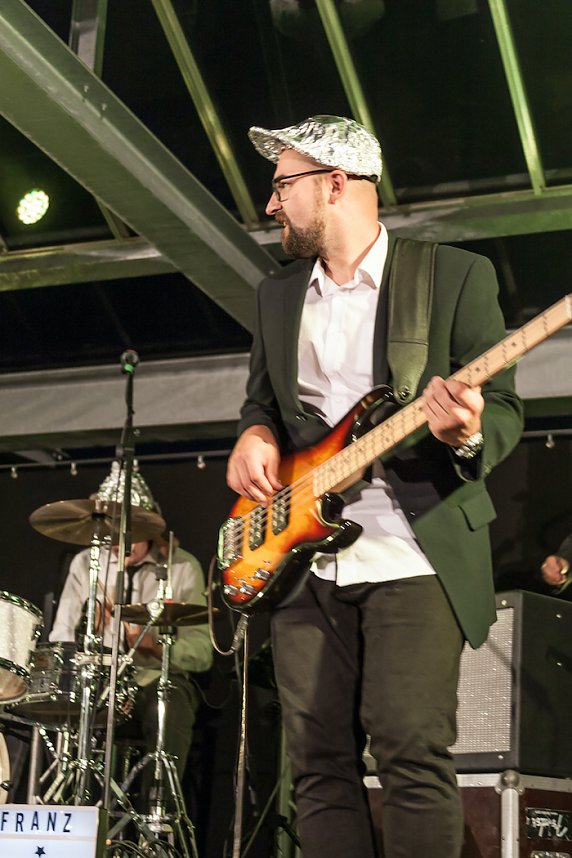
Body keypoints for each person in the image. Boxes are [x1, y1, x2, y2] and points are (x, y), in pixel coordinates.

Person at [226, 115, 523, 858]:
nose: (271, 206)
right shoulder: (276, 295)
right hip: (304, 557)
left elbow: (508, 409)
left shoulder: (454, 276)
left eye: (282, 186)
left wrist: (468, 432)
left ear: (336, 184)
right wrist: (253, 433)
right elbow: (264, 401)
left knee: (410, 753)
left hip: (412, 552)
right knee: (316, 767)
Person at [50, 463, 212, 807]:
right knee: (59, 706)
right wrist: (84, 636)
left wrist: (157, 648)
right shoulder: (86, 564)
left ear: (150, 525)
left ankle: (157, 818)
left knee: (168, 703)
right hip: (99, 681)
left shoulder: (183, 567)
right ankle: (74, 813)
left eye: (129, 530)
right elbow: (60, 637)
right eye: (109, 530)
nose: (117, 541)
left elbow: (202, 653)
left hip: (155, 680)